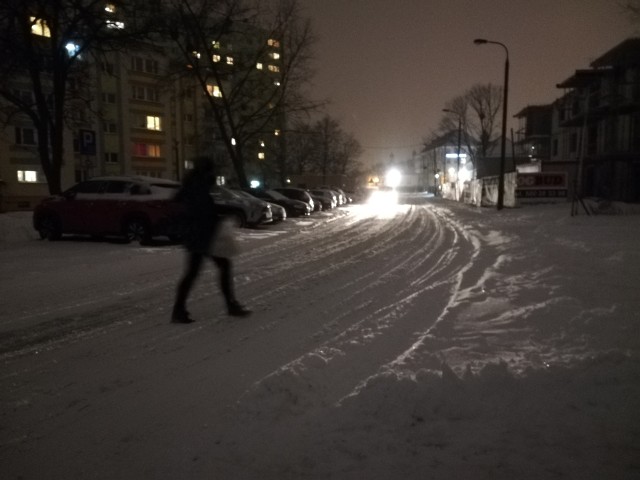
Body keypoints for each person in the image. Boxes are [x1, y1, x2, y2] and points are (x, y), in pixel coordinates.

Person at [171, 156, 251, 323]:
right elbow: (203, 212)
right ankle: (230, 306)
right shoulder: (198, 185)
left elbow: (196, 207)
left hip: (197, 235)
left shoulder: (192, 184)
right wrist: (223, 214)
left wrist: (222, 212)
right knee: (217, 267)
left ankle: (179, 310)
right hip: (201, 236)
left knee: (195, 272)